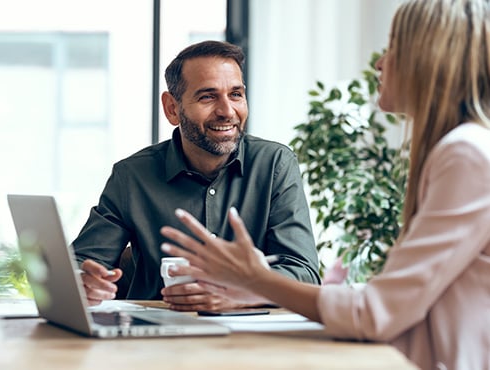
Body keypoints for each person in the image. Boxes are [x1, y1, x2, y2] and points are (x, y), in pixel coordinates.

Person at [159, 0, 490, 369]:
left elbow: (376, 313)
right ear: (172, 108)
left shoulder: (467, 155)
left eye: (393, 46)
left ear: (430, 59)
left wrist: (257, 281)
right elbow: (395, 300)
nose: (380, 63)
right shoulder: (459, 151)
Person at [72, 40, 321, 311]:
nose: (227, 111)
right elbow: (81, 263)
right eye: (208, 97)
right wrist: (85, 282)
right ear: (172, 108)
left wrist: (242, 292)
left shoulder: (275, 165)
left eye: (236, 94)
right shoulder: (132, 175)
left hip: (249, 337)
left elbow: (304, 273)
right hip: (155, 335)